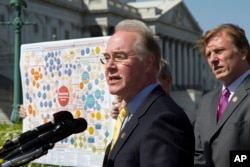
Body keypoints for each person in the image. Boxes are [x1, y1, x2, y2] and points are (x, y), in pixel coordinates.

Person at [101, 19, 194, 167]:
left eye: (120, 57)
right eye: (106, 58)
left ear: (148, 63)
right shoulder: (131, 113)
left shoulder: (163, 119)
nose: (109, 66)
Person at [194, 23, 250, 167]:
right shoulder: (207, 101)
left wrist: (232, 161)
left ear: (243, 52)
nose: (212, 59)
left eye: (219, 51)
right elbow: (199, 154)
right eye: (208, 54)